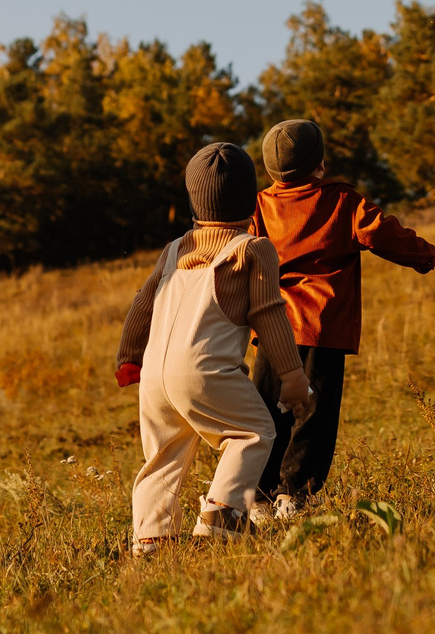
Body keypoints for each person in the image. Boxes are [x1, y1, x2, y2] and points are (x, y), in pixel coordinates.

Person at [116, 143, 315, 553]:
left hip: (153, 375)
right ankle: (223, 515)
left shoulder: (174, 250)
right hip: (203, 372)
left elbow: (142, 303)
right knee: (254, 432)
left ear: (193, 199)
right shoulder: (252, 249)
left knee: (164, 453)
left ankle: (152, 537)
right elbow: (270, 313)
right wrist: (293, 377)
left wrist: (129, 357)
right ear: (251, 198)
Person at [246, 118, 435, 520]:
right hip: (323, 326)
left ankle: (256, 495)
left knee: (264, 411)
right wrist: (423, 255)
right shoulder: (341, 200)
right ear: (319, 164)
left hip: (272, 326)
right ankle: (294, 494)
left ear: (270, 169)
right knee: (314, 413)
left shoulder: (260, 207)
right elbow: (380, 232)